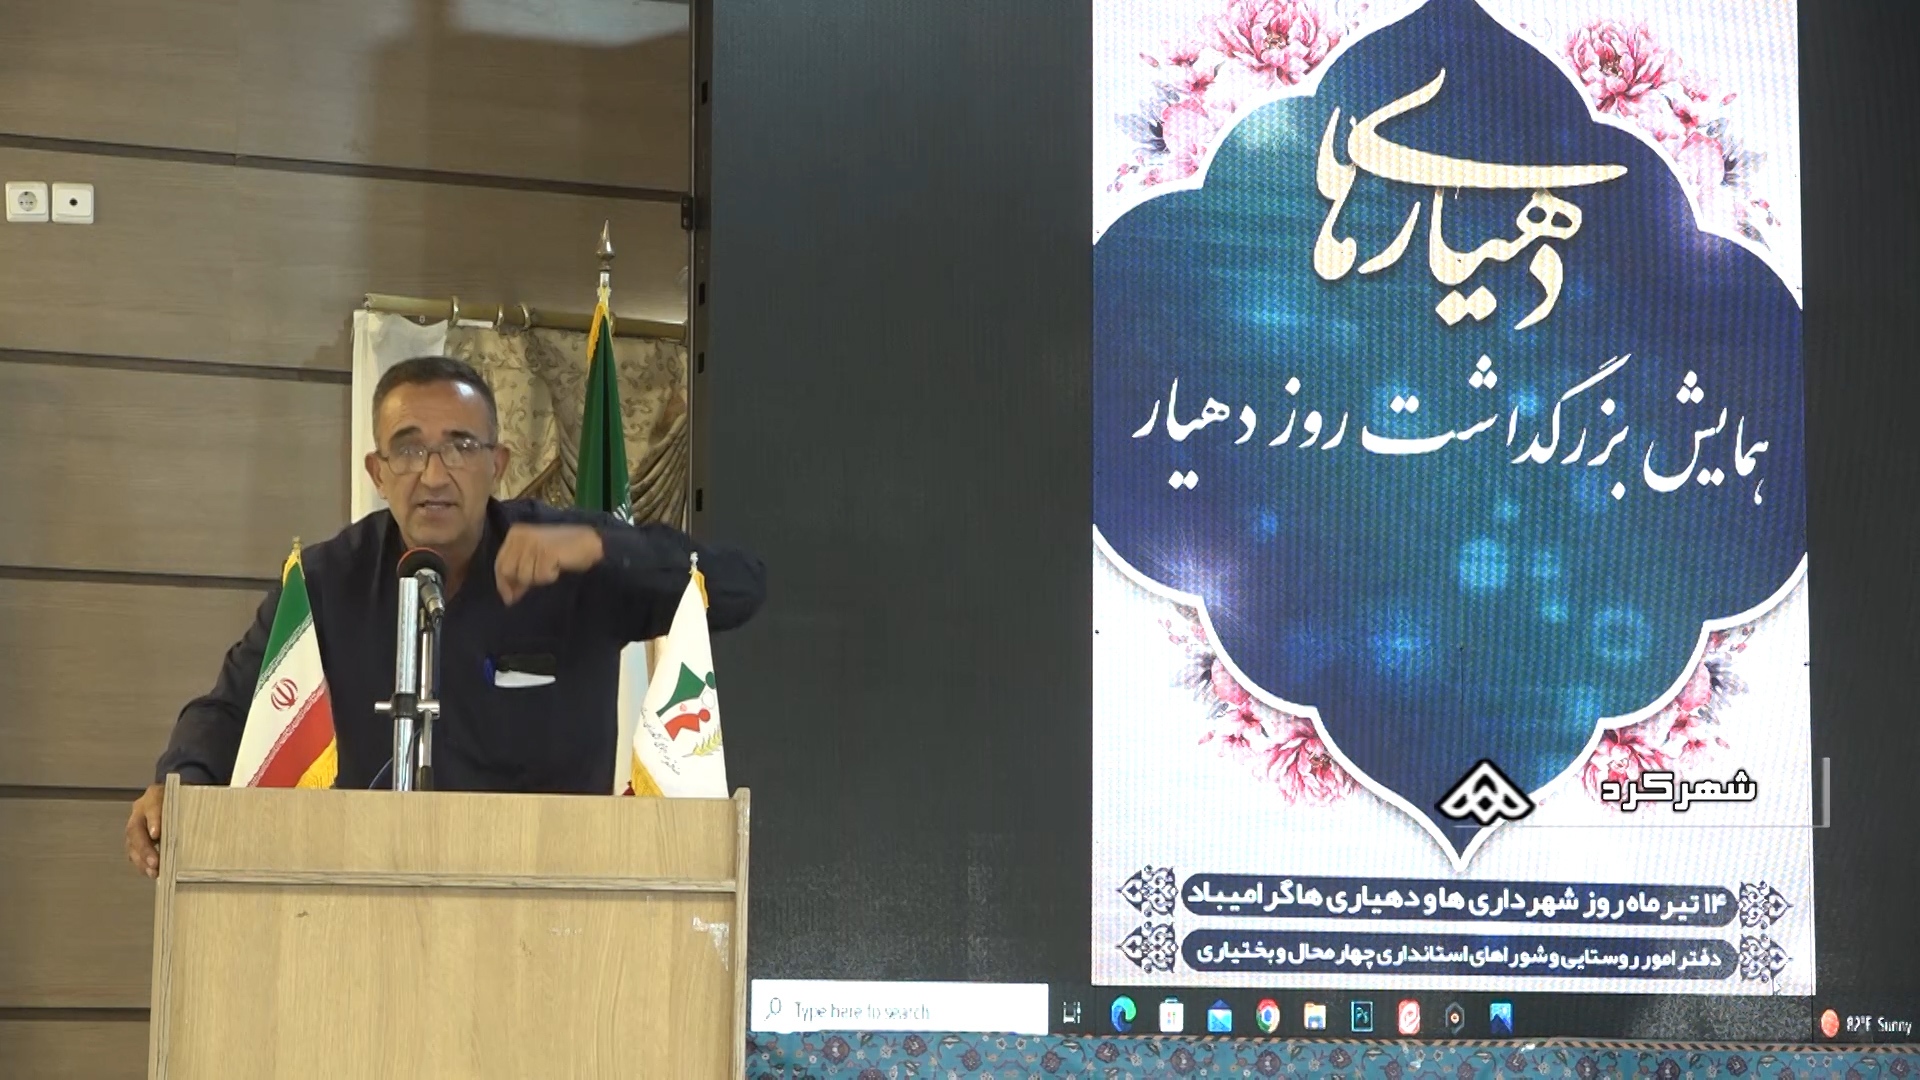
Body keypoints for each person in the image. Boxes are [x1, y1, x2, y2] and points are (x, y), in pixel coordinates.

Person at [125, 355, 765, 877]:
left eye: (459, 446)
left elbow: (741, 588)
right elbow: (230, 708)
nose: (433, 475)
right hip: (367, 896)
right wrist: (177, 784)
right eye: (408, 450)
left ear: (497, 464)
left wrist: (601, 548)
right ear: (377, 472)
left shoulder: (571, 557)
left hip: (550, 895)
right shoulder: (326, 581)